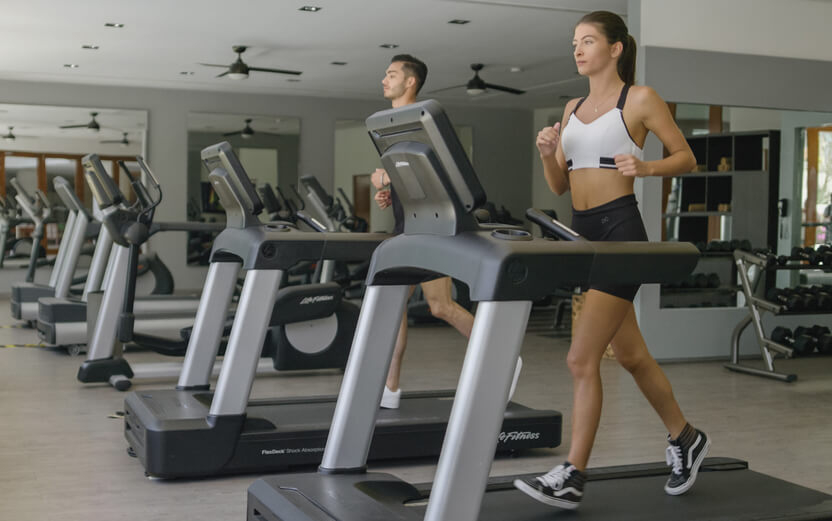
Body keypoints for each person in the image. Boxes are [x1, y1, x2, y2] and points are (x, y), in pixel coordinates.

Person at [512, 11, 709, 511]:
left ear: (616, 48)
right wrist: (547, 152)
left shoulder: (639, 99)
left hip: (621, 232)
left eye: (588, 41)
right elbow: (560, 184)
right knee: (631, 356)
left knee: (581, 359)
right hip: (582, 233)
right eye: (574, 42)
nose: (578, 50)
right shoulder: (572, 105)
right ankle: (685, 437)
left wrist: (645, 166)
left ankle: (574, 473)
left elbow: (685, 157)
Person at [370, 54, 522, 409]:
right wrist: (388, 187)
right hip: (404, 226)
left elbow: (436, 170)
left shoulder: (422, 120)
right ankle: (390, 387)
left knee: (441, 306)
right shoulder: (389, 125)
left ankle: (505, 357)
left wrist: (387, 176)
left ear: (410, 82)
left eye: (391, 74)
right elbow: (407, 176)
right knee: (392, 305)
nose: (383, 79)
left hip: (431, 228)